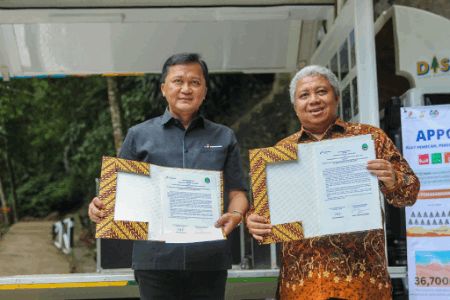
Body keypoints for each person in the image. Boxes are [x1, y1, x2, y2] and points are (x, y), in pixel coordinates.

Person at [246, 65, 419, 300]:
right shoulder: (281, 151)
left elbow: (408, 194)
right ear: (295, 106)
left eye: (321, 92)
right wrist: (254, 221)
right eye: (304, 95)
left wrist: (393, 178)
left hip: (361, 280)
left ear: (336, 97)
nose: (313, 100)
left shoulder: (369, 138)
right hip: (303, 284)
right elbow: (264, 213)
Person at [88, 53, 248, 300]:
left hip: (209, 259)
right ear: (164, 88)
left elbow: (238, 192)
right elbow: (115, 194)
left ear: (204, 91)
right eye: (178, 81)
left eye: (195, 82)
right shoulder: (138, 136)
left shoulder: (224, 137)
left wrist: (236, 215)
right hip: (154, 261)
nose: (186, 89)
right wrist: (98, 206)